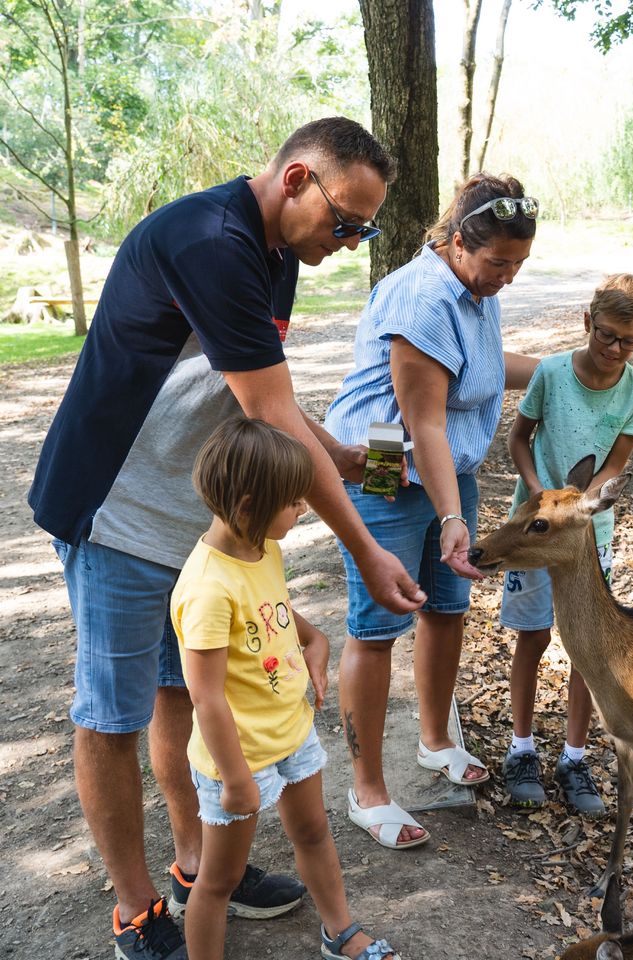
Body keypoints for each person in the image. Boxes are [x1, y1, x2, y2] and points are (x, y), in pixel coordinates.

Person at [27, 117, 425, 959]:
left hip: (187, 520)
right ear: (294, 181)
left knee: (186, 696)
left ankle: (201, 862)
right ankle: (138, 911)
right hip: (115, 510)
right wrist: (366, 550)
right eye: (345, 221)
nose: (350, 242)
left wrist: (343, 454)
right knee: (113, 715)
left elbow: (253, 390)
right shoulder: (210, 239)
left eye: (366, 230)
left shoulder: (278, 255)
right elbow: (268, 414)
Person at [325, 173, 539, 849]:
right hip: (384, 461)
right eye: (498, 263)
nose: (506, 277)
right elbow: (426, 425)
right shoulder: (421, 299)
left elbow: (480, 369)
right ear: (454, 241)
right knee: (379, 620)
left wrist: (569, 367)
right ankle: (368, 792)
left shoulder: (476, 290)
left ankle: (436, 739)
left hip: (452, 466)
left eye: (519, 265)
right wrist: (452, 520)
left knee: (447, 605)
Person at [172, 417, 400, 960]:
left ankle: (339, 931)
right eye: (294, 503)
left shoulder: (259, 548)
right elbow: (205, 697)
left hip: (291, 734)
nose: (302, 512)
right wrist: (234, 780)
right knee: (220, 879)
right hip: (238, 758)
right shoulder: (206, 588)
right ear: (250, 505)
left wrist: (314, 640)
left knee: (315, 833)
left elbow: (274, 611)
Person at [500, 274, 633, 815]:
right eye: (606, 335)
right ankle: (521, 749)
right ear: (587, 322)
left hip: (589, 538)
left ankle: (574, 755)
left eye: (628, 341)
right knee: (533, 636)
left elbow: (615, 464)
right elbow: (519, 438)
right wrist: (544, 497)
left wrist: (578, 510)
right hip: (533, 532)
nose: (615, 350)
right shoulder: (550, 374)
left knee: (587, 650)